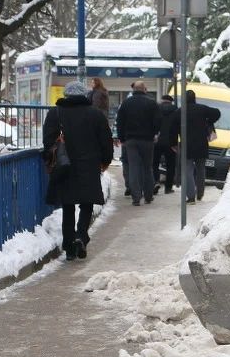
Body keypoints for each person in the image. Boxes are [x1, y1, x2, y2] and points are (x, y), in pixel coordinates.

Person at [43, 81, 113, 261]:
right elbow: (106, 141)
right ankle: (81, 236)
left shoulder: (56, 113)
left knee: (68, 205)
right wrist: (105, 161)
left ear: (66, 95)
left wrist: (49, 157)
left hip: (64, 166)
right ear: (85, 95)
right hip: (89, 166)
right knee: (87, 203)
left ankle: (69, 246)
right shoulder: (96, 115)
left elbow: (48, 141)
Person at [169, 89, 221, 204]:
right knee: (201, 169)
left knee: (187, 170)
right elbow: (217, 113)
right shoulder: (202, 109)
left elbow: (172, 129)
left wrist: (173, 143)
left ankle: (191, 196)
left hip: (186, 145)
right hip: (201, 144)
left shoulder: (180, 112)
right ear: (194, 98)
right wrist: (209, 120)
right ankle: (200, 193)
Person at [116, 80, 159, 206]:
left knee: (133, 167)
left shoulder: (126, 103)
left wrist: (122, 138)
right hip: (147, 140)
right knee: (147, 167)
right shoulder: (152, 103)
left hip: (131, 140)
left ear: (133, 90)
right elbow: (158, 120)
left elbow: (120, 122)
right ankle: (148, 196)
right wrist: (154, 133)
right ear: (144, 89)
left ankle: (136, 197)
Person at [153, 94, 178, 194]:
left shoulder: (155, 109)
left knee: (154, 163)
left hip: (157, 141)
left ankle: (155, 182)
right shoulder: (176, 111)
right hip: (171, 142)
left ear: (162, 100)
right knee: (171, 165)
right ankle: (168, 188)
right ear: (171, 102)